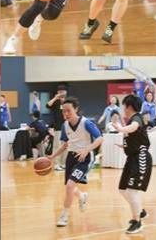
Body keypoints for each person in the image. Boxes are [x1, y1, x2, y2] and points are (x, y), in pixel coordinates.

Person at [49, 97, 103, 228]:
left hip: (84, 158)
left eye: (68, 110)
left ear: (76, 109)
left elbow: (100, 138)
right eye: (64, 111)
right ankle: (82, 196)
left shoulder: (86, 123)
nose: (66, 113)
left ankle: (64, 216)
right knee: (70, 187)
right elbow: (65, 145)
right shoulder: (65, 125)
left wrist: (87, 150)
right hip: (71, 157)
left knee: (69, 185)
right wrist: (52, 157)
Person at [112, 94, 152, 235]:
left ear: (129, 107)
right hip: (132, 158)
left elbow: (134, 127)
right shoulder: (131, 120)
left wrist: (120, 128)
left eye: (124, 106)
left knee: (131, 191)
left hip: (141, 158)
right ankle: (140, 211)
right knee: (122, 189)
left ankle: (137, 222)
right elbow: (134, 138)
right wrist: (124, 146)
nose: (123, 109)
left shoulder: (136, 118)